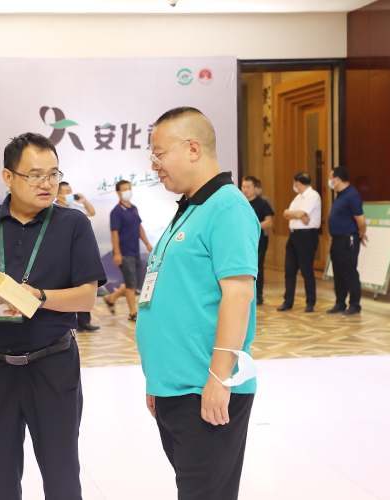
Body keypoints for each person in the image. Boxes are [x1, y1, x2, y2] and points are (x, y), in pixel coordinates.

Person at [0, 132, 107, 500]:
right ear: (8, 176)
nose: (46, 184)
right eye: (34, 175)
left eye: (53, 174)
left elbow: (87, 298)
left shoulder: (73, 225)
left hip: (53, 366)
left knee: (62, 475)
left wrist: (39, 297)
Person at [137, 107, 259, 500]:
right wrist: (158, 380)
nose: (154, 165)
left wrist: (219, 379)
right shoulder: (191, 207)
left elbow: (238, 294)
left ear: (193, 149)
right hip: (176, 386)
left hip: (205, 386)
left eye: (159, 154)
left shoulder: (228, 207)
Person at [103, 180, 153, 322]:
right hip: (124, 252)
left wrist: (147, 244)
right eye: (125, 189)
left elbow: (139, 227)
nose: (128, 192)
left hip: (135, 250)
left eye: (129, 189)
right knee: (131, 285)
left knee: (133, 283)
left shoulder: (134, 208)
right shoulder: (116, 211)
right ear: (118, 193)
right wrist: (117, 253)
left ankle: (111, 297)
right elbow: (114, 233)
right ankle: (132, 313)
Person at [56, 181, 100, 331]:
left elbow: (92, 212)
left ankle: (84, 322)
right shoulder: (52, 210)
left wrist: (84, 201)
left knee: (83, 286)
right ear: (58, 195)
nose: (70, 194)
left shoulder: (74, 209)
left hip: (77, 254)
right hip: (60, 255)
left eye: (71, 191)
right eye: (67, 191)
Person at [277, 172, 321, 313]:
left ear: (297, 183)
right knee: (289, 270)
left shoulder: (313, 195)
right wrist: (298, 215)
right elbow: (286, 214)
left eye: (294, 183)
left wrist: (297, 214)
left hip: (307, 236)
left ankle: (310, 302)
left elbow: (298, 214)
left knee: (306, 270)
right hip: (293, 235)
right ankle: (288, 301)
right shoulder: (298, 197)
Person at [327, 166, 368, 316]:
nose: (330, 181)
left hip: (347, 240)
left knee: (349, 272)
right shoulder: (340, 195)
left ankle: (355, 305)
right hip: (337, 240)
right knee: (338, 273)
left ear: (337, 179)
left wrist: (361, 233)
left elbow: (361, 220)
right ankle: (340, 303)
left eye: (331, 178)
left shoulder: (352, 195)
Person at [241, 176, 274, 305]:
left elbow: (269, 222)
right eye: (243, 186)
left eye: (248, 187)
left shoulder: (263, 203)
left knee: (258, 266)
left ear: (256, 188)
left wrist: (253, 225)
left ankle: (258, 294)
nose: (245, 189)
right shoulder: (239, 202)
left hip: (259, 240)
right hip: (242, 239)